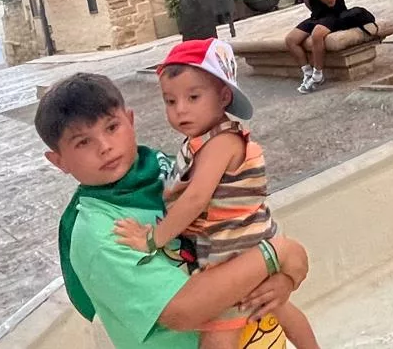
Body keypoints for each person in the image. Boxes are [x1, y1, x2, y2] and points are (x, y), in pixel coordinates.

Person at [38, 72, 309, 349]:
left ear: (130, 120)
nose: (105, 147)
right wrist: (276, 254)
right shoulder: (99, 232)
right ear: (58, 161)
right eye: (83, 142)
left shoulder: (169, 170)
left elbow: (247, 227)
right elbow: (182, 311)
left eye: (111, 127)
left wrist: (282, 280)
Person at [111, 40, 322, 349]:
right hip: (241, 246)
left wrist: (152, 239)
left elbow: (195, 199)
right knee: (279, 308)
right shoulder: (199, 143)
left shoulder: (222, 142)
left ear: (224, 96)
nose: (180, 109)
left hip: (235, 253)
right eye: (170, 101)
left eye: (193, 97)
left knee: (218, 336)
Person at [282, 0, 375, 94]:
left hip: (335, 15)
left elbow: (330, 2)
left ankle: (318, 74)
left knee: (317, 34)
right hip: (317, 16)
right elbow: (310, 6)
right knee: (290, 40)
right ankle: (307, 72)